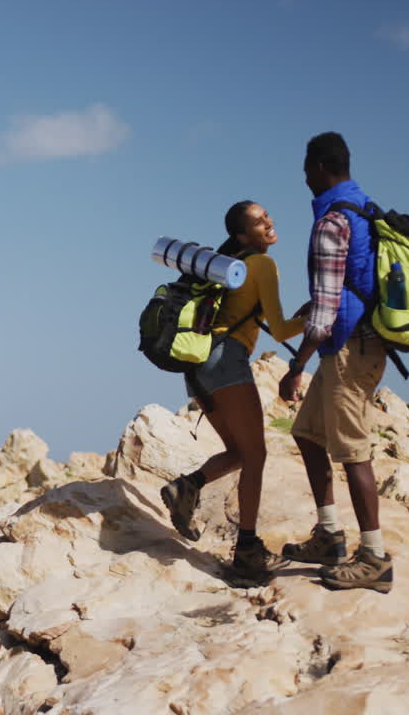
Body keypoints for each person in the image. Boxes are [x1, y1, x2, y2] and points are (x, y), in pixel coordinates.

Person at [160, 200, 307, 582]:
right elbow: (279, 327)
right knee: (255, 455)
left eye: (267, 216)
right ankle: (247, 549)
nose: (268, 222)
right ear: (242, 235)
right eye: (259, 222)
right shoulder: (261, 265)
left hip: (199, 368)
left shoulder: (231, 265)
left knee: (241, 452)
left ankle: (186, 488)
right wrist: (312, 317)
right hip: (227, 362)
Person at [277, 131, 394, 594]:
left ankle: (375, 559)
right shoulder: (361, 205)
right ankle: (329, 536)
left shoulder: (332, 221)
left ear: (321, 167)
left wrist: (295, 365)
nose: (304, 176)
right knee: (307, 434)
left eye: (307, 168)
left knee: (352, 453)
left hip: (348, 349)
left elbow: (325, 315)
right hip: (352, 343)